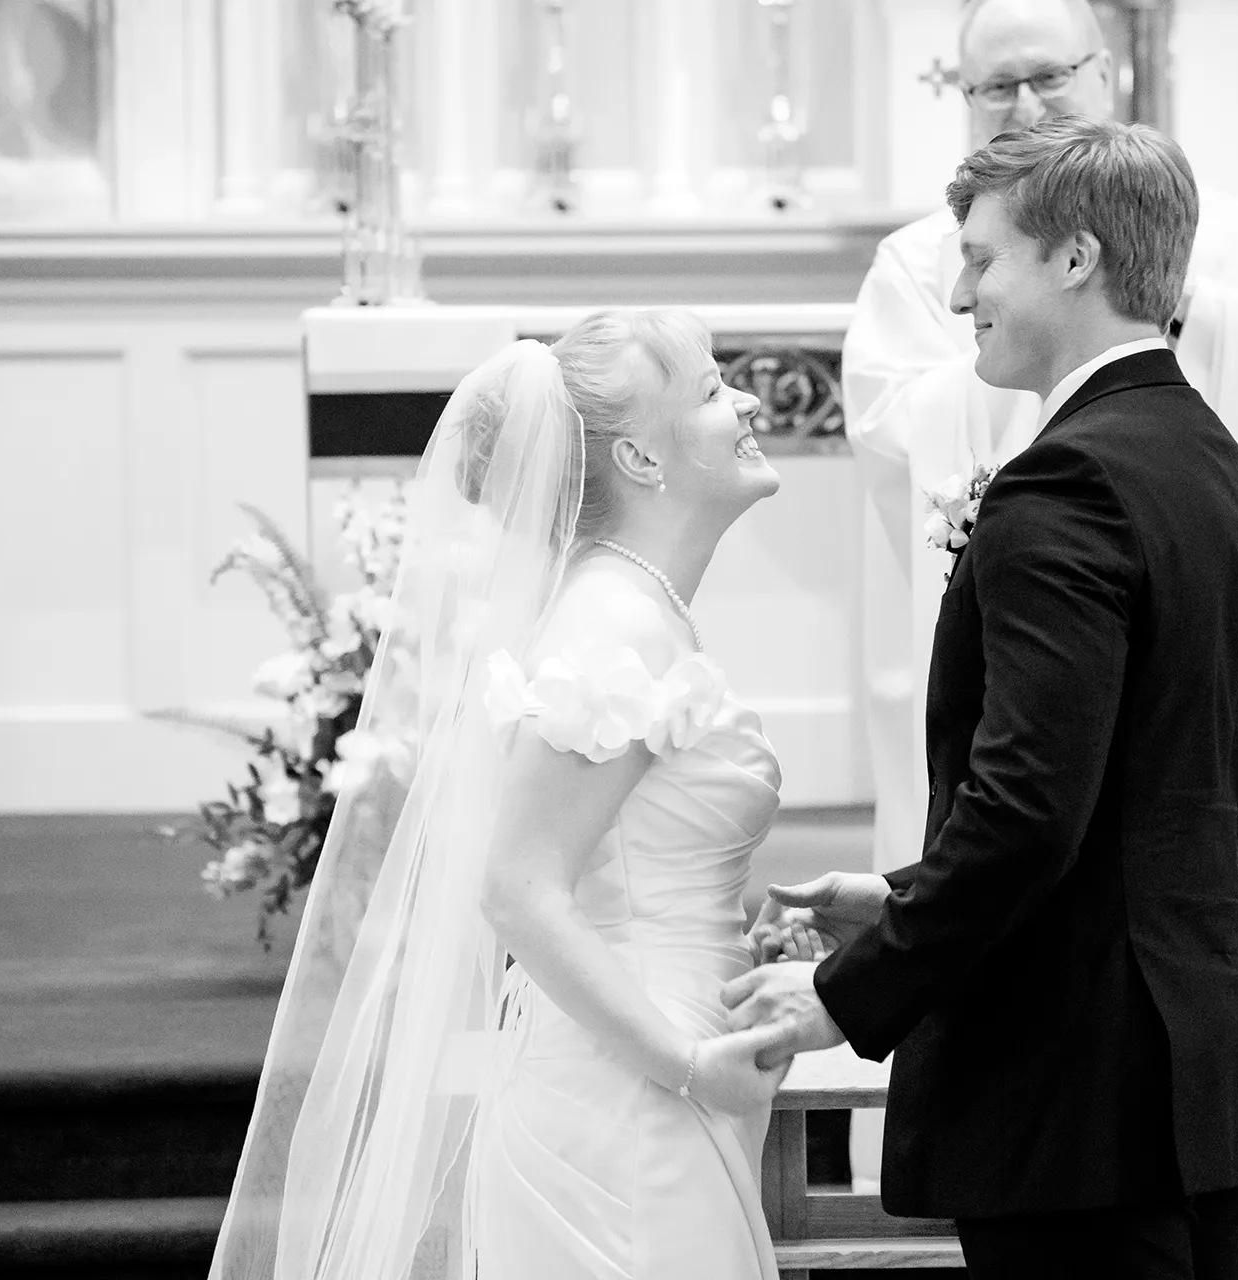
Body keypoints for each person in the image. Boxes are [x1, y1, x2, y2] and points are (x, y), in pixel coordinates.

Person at [729, 116, 1238, 1280]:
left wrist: (850, 992)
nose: (958, 292)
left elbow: (1029, 810)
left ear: (1075, 258)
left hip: (1076, 1083)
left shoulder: (1071, 479)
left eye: (982, 256)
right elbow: (1131, 796)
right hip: (1190, 1052)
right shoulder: (1205, 456)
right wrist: (901, 890)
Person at [210, 313, 801, 1280]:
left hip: (653, 1056)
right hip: (631, 1093)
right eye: (708, 389)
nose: (742, 402)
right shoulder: (613, 624)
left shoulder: (633, 606)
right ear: (639, 459)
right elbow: (520, 890)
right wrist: (687, 1067)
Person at [845, 0, 1238, 1032]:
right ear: (959, 96)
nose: (1026, 103)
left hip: (1188, 637)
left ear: (1111, 71)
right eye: (996, 86)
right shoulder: (919, 261)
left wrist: (1161, 301)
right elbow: (896, 423)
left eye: (1050, 75)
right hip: (1028, 628)